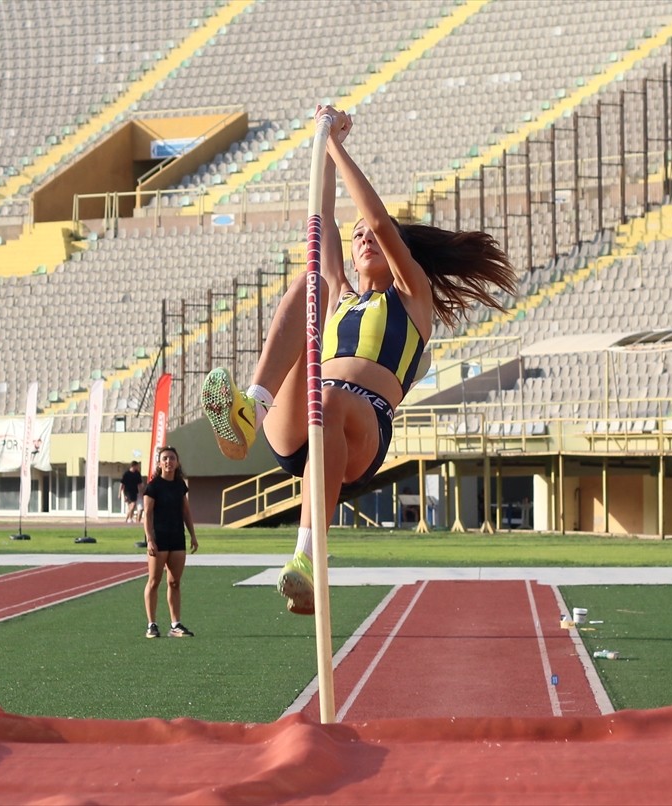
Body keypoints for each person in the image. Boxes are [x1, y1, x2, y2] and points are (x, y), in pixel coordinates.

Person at [202, 105, 516, 615]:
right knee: (311, 281)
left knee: (330, 395)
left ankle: (305, 562)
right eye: (357, 241)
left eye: (372, 237)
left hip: (360, 431)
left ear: (396, 252)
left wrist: (336, 145)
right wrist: (320, 146)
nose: (365, 238)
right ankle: (251, 410)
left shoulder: (411, 298)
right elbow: (320, 220)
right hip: (303, 421)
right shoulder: (341, 294)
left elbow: (374, 218)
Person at [142, 446, 199, 638]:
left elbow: (186, 511)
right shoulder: (153, 486)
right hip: (159, 539)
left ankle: (175, 625)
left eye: (172, 458)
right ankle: (151, 625)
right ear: (159, 463)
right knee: (154, 581)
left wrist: (193, 534)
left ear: (177, 462)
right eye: (165, 458)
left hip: (177, 538)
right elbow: (147, 515)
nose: (169, 461)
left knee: (174, 582)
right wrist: (150, 539)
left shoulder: (179, 485)